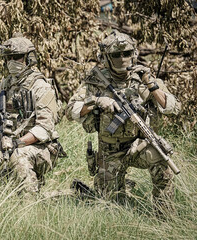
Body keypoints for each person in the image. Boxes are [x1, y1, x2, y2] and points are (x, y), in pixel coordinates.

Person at [65, 30, 181, 213]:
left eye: (126, 53)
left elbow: (174, 108)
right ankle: (120, 187)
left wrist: (152, 86)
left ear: (133, 54)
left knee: (162, 161)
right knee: (108, 205)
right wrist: (96, 101)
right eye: (116, 55)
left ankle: (164, 214)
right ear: (106, 57)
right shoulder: (96, 81)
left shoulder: (144, 78)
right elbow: (70, 110)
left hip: (138, 146)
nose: (122, 58)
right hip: (109, 152)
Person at [0, 33, 63, 195]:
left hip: (40, 147)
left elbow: (45, 128)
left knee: (17, 155)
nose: (11, 62)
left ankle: (29, 199)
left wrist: (17, 143)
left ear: (29, 58)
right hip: (7, 140)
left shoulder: (40, 86)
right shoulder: (5, 84)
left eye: (16, 57)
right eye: (8, 58)